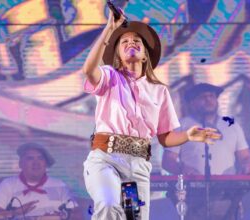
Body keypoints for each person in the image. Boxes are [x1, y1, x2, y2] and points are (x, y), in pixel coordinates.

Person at [81, 8, 220, 220]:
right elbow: (89, 70)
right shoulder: (109, 77)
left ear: (145, 54)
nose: (131, 44)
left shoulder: (159, 90)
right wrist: (110, 29)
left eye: (137, 41)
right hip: (106, 160)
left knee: (132, 217)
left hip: (136, 167)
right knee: (108, 204)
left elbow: (166, 137)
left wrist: (188, 135)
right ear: (118, 54)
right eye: (124, 42)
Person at [162, 83, 250, 220]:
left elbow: (246, 156)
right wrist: (183, 169)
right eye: (203, 97)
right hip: (193, 196)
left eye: (212, 96)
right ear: (192, 103)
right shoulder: (181, 126)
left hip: (228, 194)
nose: (208, 100)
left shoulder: (231, 124)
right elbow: (168, 161)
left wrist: (248, 166)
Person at [0, 142, 80, 219]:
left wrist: (62, 216)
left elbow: (76, 213)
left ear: (45, 164)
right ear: (20, 164)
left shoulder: (59, 185)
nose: (36, 163)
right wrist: (14, 212)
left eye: (40, 158)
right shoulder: (8, 184)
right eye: (30, 158)